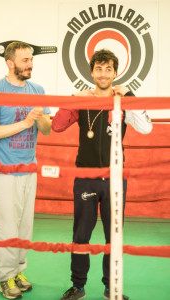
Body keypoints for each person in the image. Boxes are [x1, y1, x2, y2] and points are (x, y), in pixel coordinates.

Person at [52, 49, 152, 300]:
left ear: (116, 72)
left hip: (116, 179)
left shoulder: (122, 101)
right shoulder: (82, 100)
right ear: (92, 72)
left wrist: (129, 95)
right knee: (81, 235)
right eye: (99, 68)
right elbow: (57, 125)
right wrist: (74, 97)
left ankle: (111, 287)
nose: (103, 74)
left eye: (108, 69)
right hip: (85, 176)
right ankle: (78, 286)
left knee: (114, 236)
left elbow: (146, 128)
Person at [0, 41, 51, 299]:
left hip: (28, 168)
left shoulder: (38, 90)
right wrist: (25, 122)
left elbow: (46, 129)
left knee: (24, 227)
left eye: (31, 59)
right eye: (24, 60)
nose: (30, 64)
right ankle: (4, 277)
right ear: (10, 64)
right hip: (2, 169)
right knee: (6, 226)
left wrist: (40, 117)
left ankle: (19, 271)